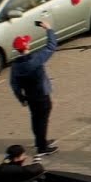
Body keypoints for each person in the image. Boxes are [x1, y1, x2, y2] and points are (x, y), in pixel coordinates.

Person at [10, 20, 59, 155]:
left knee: (35, 119)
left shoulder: (16, 66)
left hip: (30, 96)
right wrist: (49, 29)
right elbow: (51, 46)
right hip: (42, 95)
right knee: (42, 120)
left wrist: (21, 98)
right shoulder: (35, 59)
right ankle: (42, 147)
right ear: (27, 46)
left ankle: (39, 141)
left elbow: (14, 84)